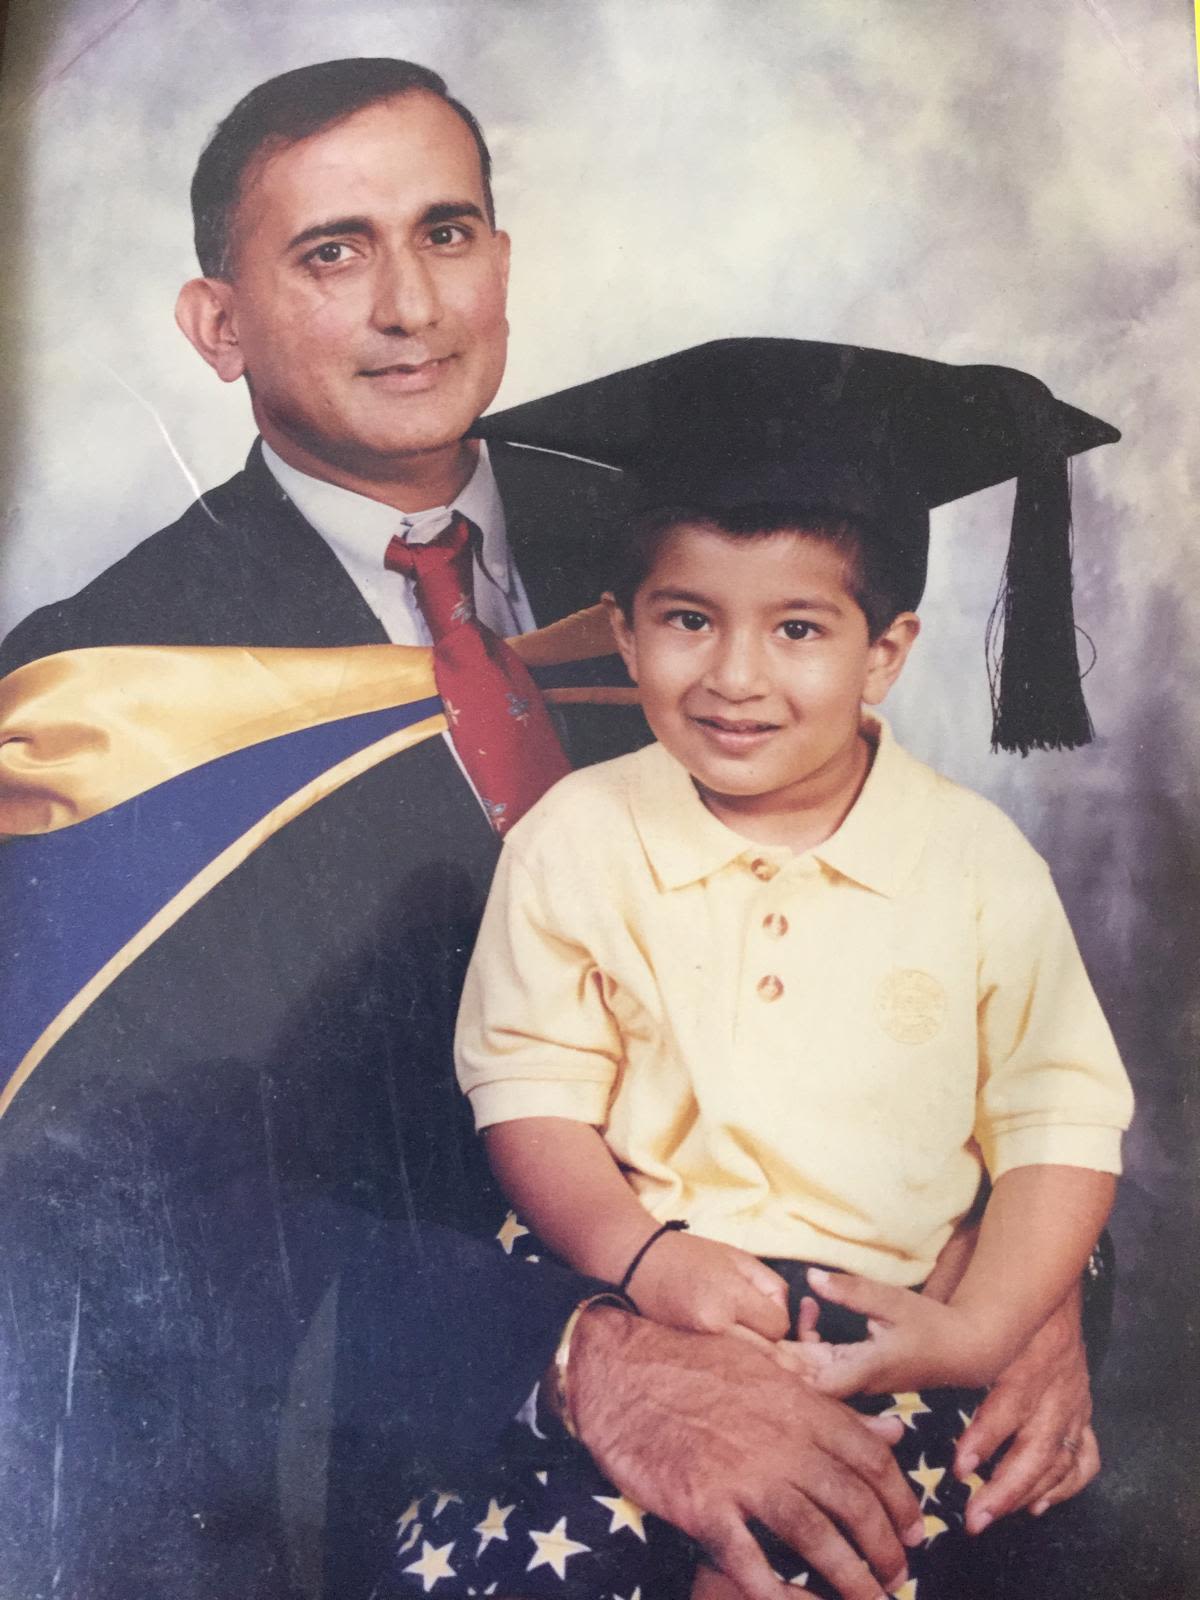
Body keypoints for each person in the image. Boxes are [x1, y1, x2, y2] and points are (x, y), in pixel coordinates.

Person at [0, 61, 1104, 1600]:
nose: (410, 306)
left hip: (848, 1355)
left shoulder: (690, 549)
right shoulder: (101, 695)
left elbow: (899, 947)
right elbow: (135, 1229)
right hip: (418, 1452)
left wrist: (1021, 1287)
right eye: (333, 252)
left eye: (446, 234)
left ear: (504, 265)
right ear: (218, 325)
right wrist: (584, 1355)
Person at [391, 340, 1134, 1599]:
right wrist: (639, 1257)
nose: (735, 677)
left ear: (885, 653)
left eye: (797, 628)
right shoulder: (576, 839)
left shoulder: (975, 864)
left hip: (895, 1327)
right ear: (625, 633)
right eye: (689, 620)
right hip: (640, 1289)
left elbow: (1059, 1125)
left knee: (818, 1566)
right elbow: (530, 1096)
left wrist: (976, 1330)